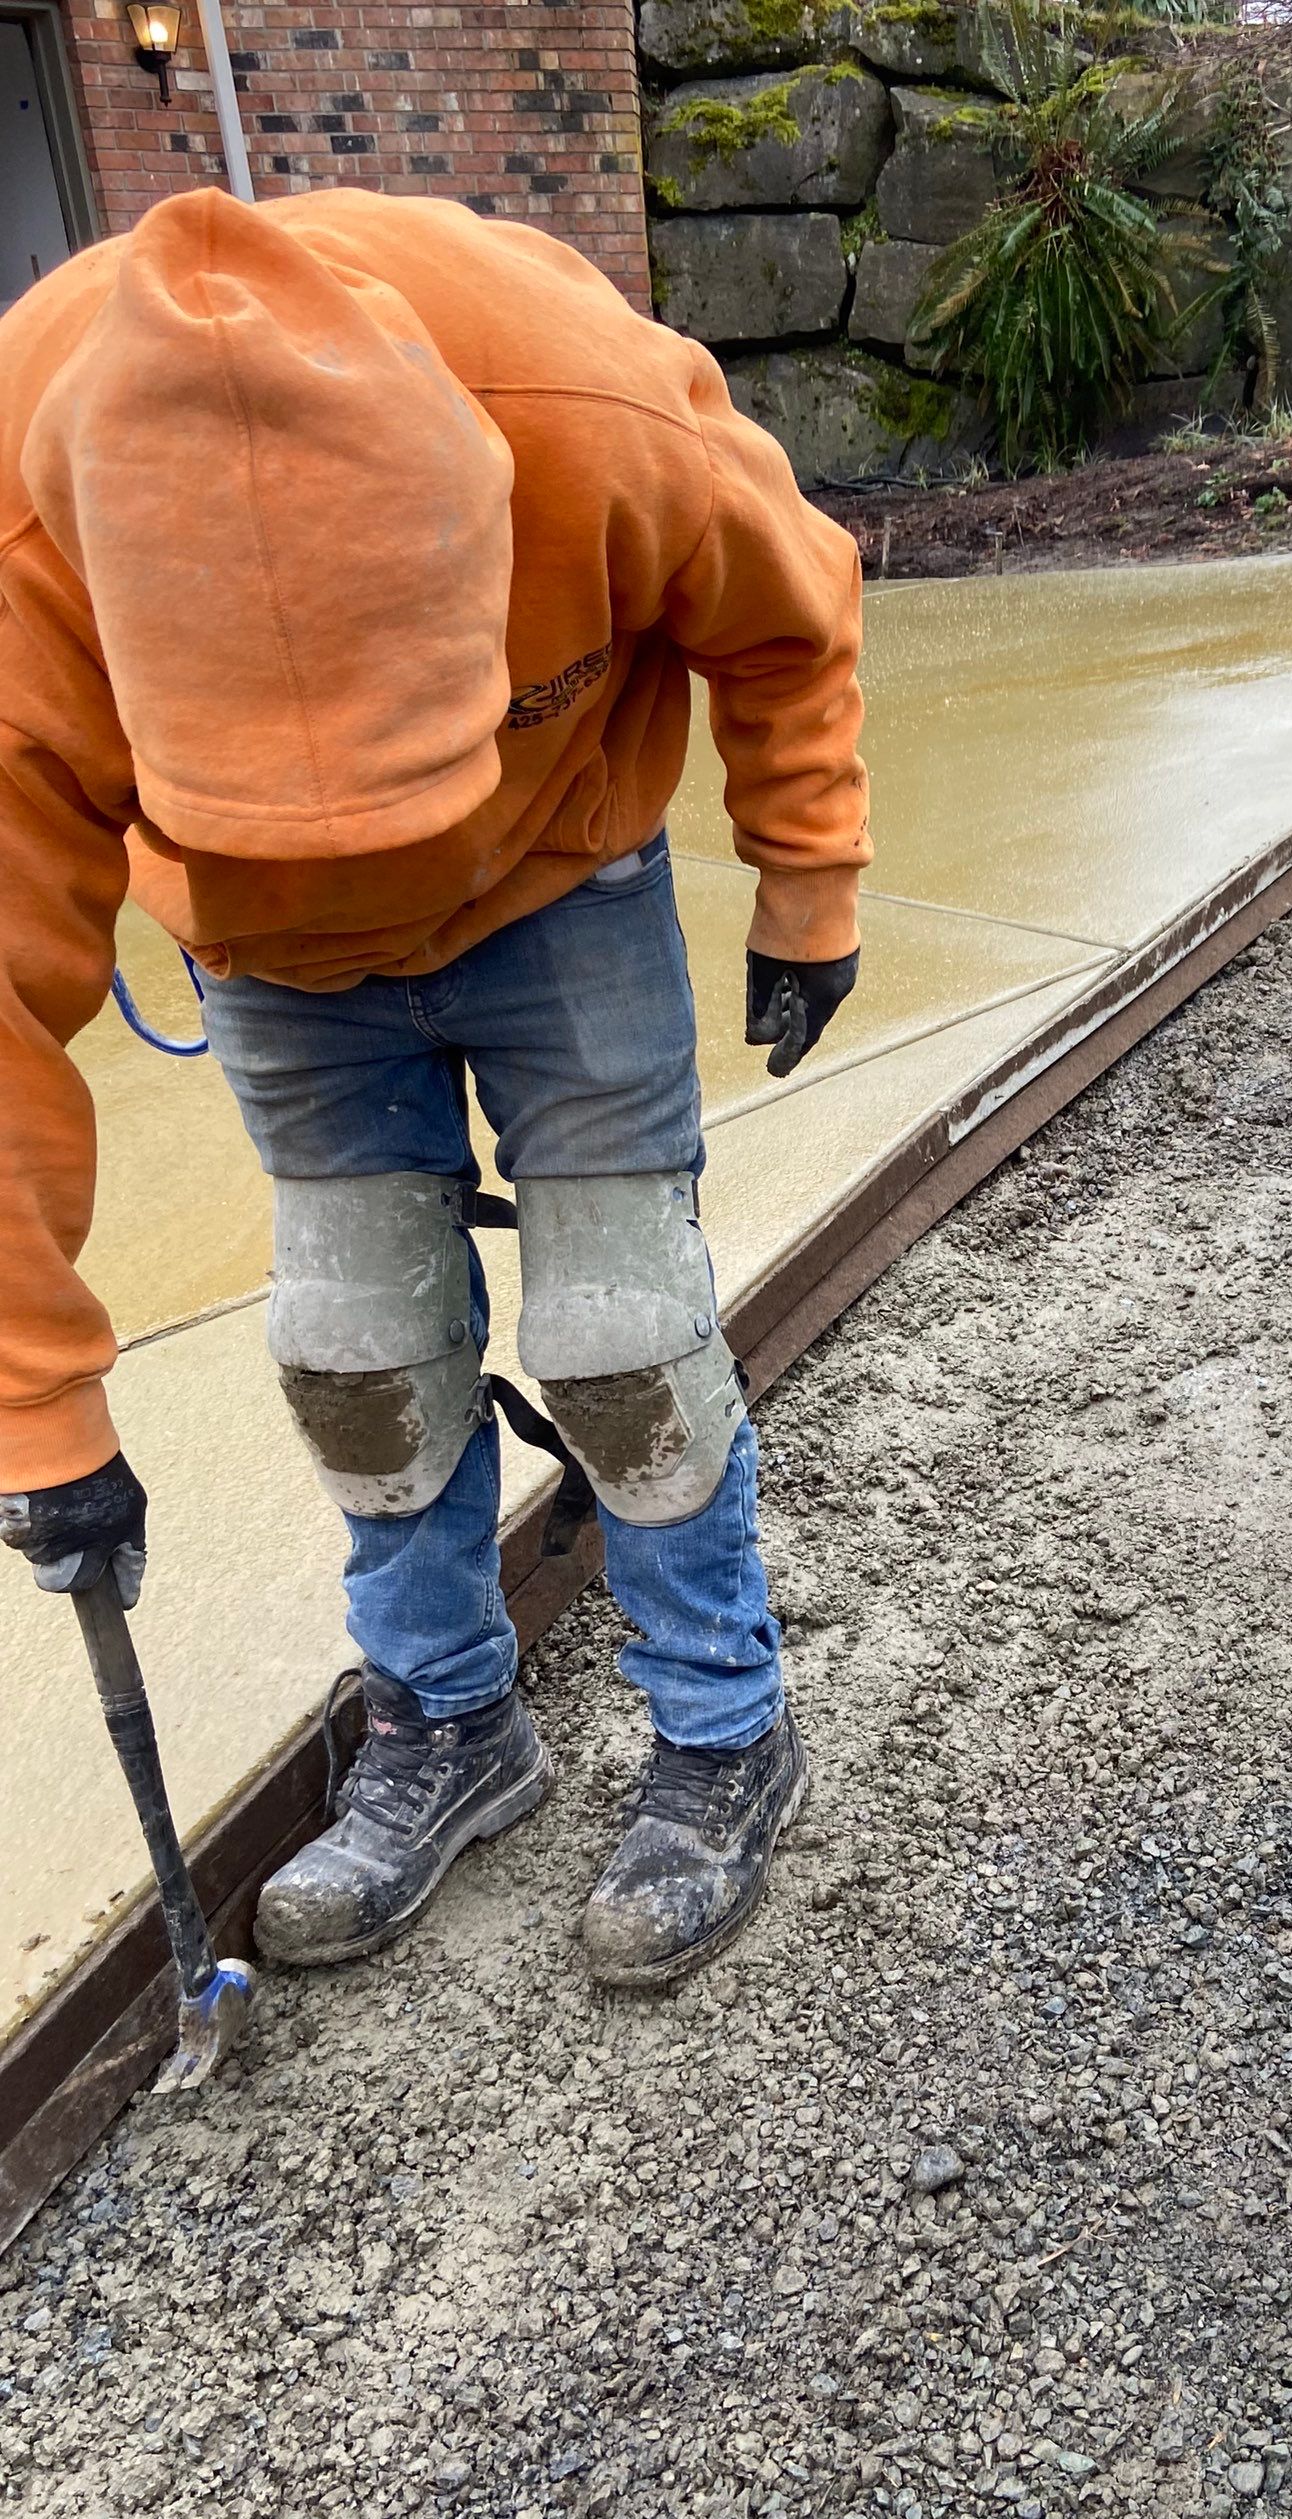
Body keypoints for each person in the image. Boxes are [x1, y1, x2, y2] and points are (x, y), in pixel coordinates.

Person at [0, 185, 868, 1990]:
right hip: (268, 963)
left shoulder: (582, 417)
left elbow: (785, 617)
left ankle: (722, 1730)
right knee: (357, 1353)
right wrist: (38, 1417)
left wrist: (807, 874)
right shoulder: (23, 542)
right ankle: (451, 1723)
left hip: (564, 888)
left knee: (628, 1338)